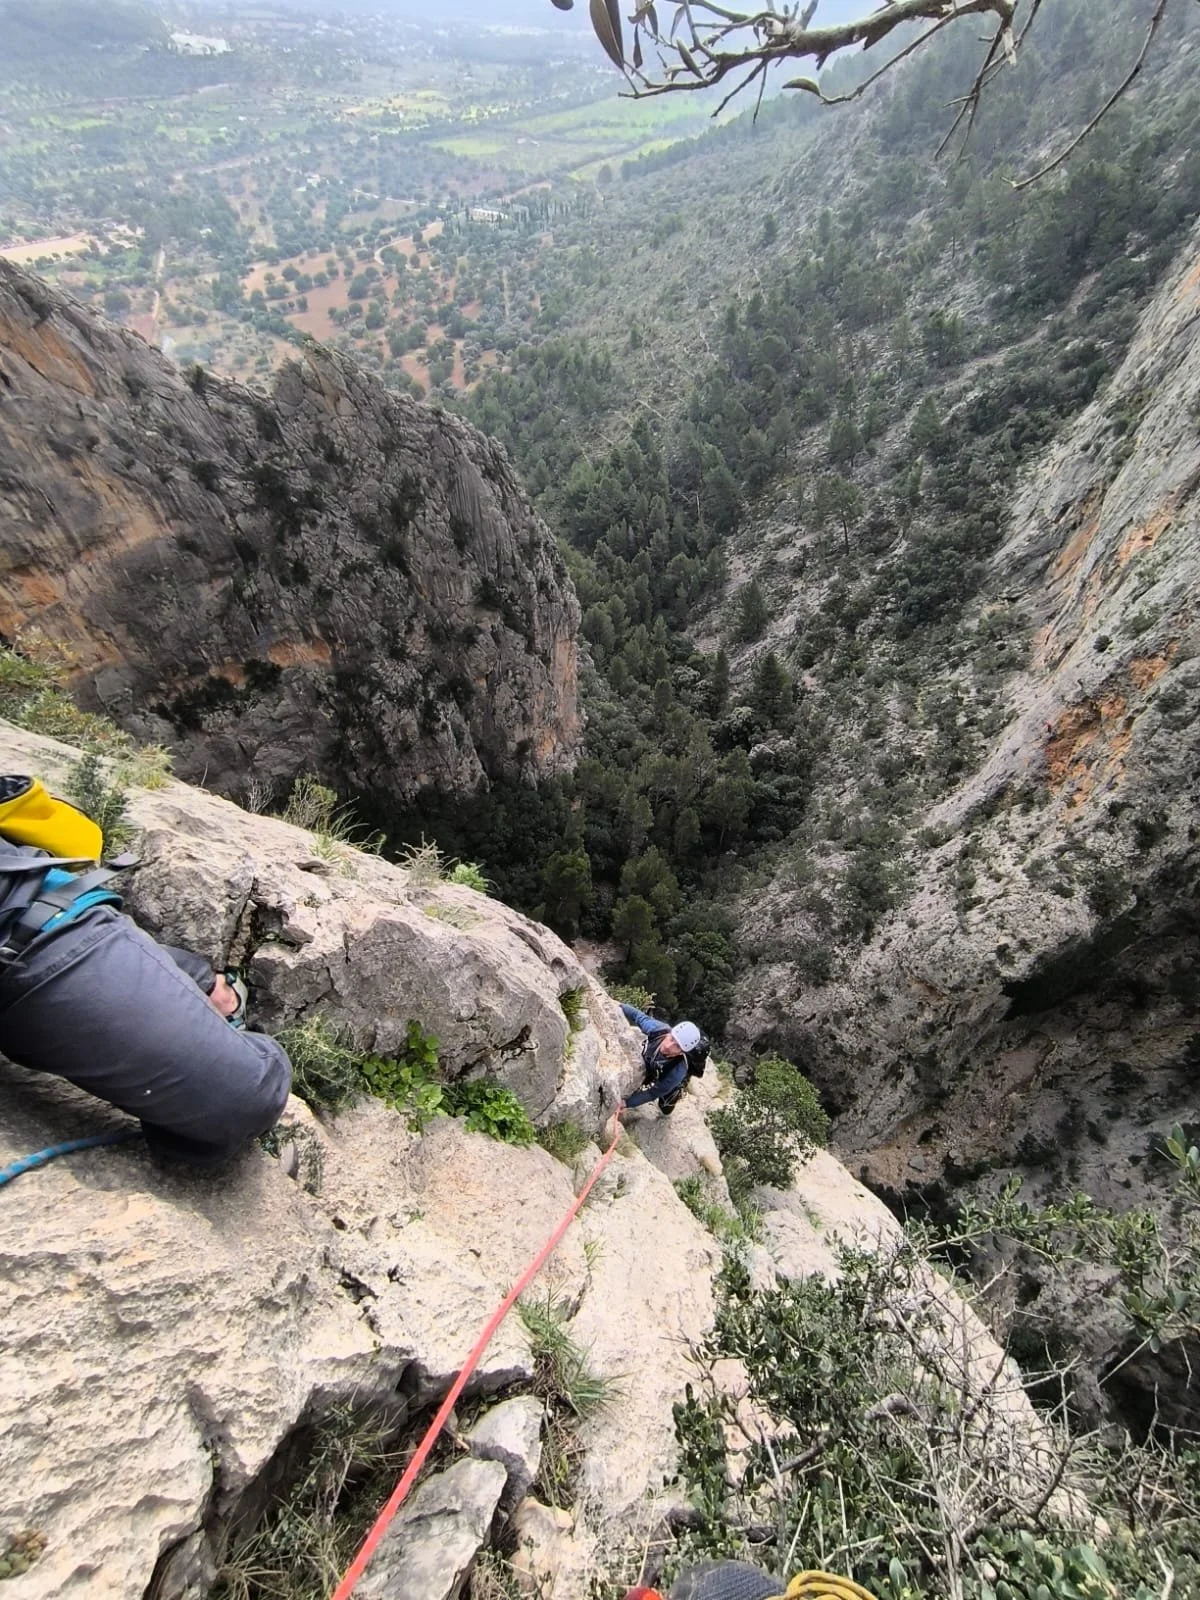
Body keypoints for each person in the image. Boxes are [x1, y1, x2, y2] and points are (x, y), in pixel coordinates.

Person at [0, 775, 292, 1166]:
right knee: (248, 1091)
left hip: (46, 927)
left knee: (241, 1070)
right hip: (46, 934)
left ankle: (216, 1012)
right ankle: (217, 1025)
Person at [618, 1000, 705, 1117]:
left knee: (665, 1108)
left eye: (677, 1046)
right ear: (670, 1033)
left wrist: (626, 1103)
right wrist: (620, 1006)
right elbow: (639, 1016)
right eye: (672, 1039)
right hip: (651, 1065)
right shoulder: (659, 1030)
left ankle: (676, 1092)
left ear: (681, 1053)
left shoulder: (677, 1071)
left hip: (664, 1073)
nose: (669, 1046)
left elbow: (652, 1093)